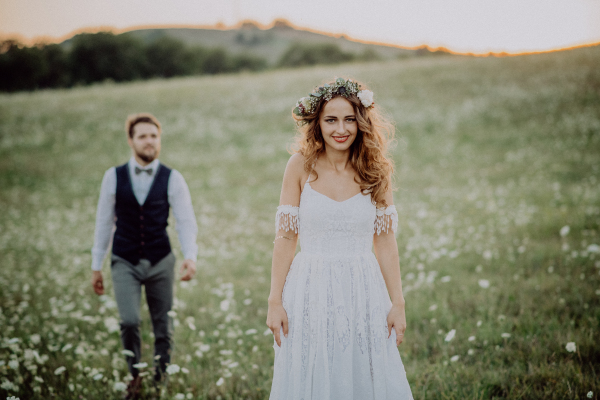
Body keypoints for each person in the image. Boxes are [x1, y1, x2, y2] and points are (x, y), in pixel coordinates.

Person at [266, 78, 413, 399]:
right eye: (331, 120)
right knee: (313, 372)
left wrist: (397, 303)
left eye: (349, 119)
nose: (340, 129)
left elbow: (385, 242)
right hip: (309, 288)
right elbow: (286, 237)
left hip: (363, 288)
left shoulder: (376, 170)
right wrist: (275, 300)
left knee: (363, 371)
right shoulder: (299, 167)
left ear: (361, 123)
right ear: (316, 124)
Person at [90, 113, 198, 399]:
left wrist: (190, 256)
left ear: (159, 139)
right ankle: (134, 376)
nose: (149, 141)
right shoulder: (112, 177)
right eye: (142, 136)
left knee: (164, 325)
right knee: (129, 321)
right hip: (124, 259)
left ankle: (160, 380)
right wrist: (96, 265)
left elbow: (185, 220)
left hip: (161, 258)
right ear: (131, 141)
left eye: (154, 136)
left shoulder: (172, 178)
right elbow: (103, 222)